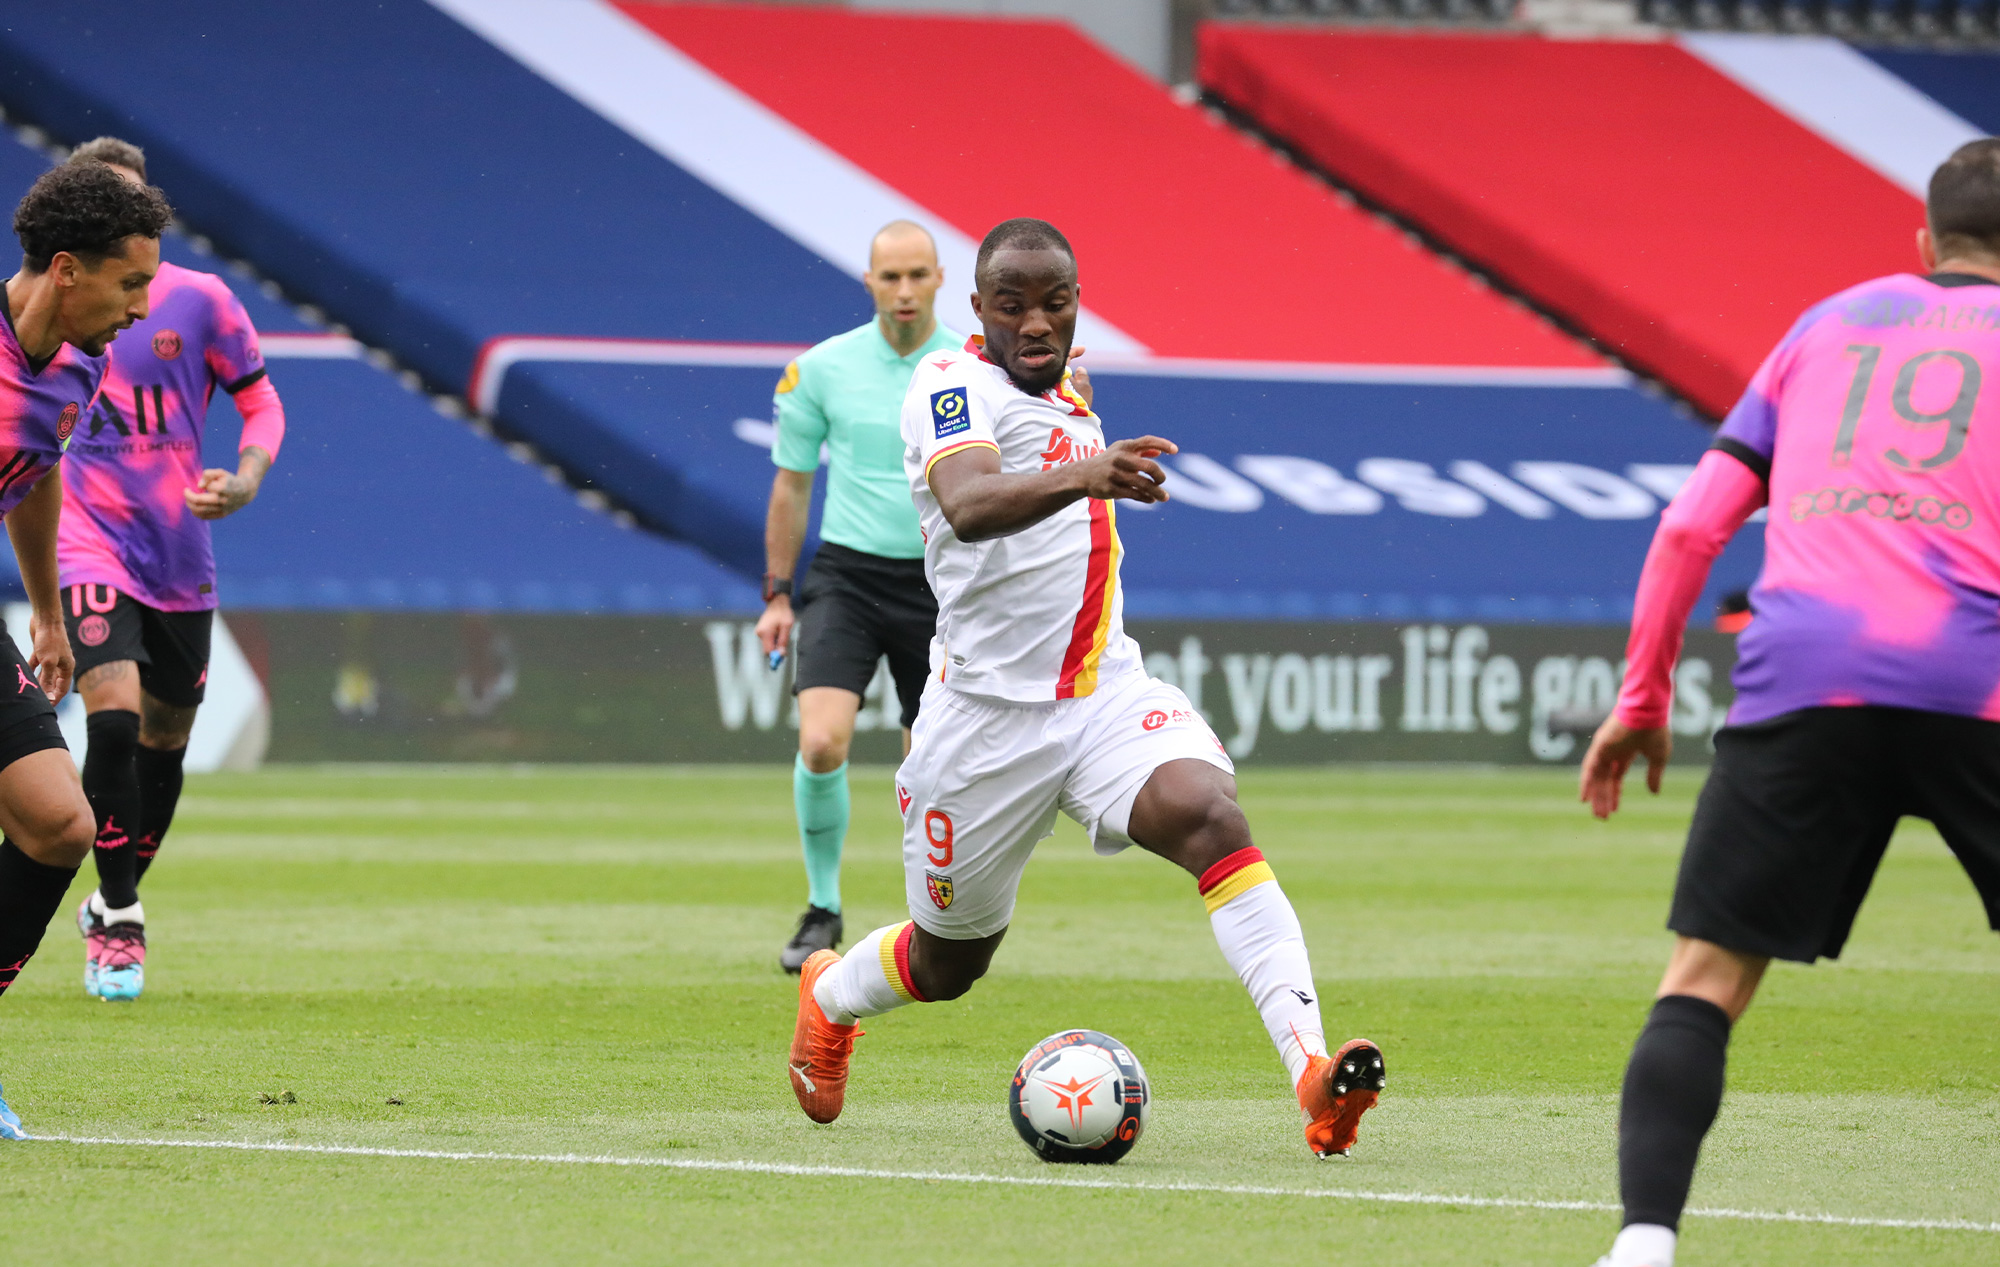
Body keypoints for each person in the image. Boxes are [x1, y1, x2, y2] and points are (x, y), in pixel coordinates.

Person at [784, 218, 1384, 1158]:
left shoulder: (1068, 385)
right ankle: (829, 995)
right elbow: (973, 505)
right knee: (950, 962)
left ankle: (1311, 1071)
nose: (1035, 321)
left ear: (1075, 305)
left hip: (1102, 691)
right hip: (983, 724)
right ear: (976, 309)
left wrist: (1086, 446)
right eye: (1012, 303)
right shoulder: (948, 386)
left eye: (1054, 302)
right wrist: (1090, 468)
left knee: (1210, 813)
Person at [1578, 137, 2000, 1267]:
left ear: (1922, 243)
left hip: (1804, 673)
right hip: (1975, 679)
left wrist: (1641, 697)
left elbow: (1687, 528)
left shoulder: (1825, 324)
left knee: (1703, 980)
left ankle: (1641, 1244)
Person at [57, 139, 286, 1003]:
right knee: (111, 722)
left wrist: (249, 476)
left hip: (179, 549)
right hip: (86, 539)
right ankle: (120, 916)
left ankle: (114, 896)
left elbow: (260, 399)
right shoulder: (58, 299)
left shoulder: (199, 302)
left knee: (165, 739)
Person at [0, 159, 171, 1133]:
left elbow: (31, 473)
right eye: (131, 282)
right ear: (68, 269)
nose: (141, 309)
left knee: (59, 823)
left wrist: (52, 614)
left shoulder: (77, 364)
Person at [755, 221, 961, 973]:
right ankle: (821, 907)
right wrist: (778, 594)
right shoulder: (821, 369)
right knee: (820, 740)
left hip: (941, 581)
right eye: (889, 277)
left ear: (940, 278)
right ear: (868, 282)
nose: (904, 291)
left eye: (916, 275)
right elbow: (791, 483)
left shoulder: (972, 368)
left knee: (928, 763)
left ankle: (928, 919)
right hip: (846, 575)